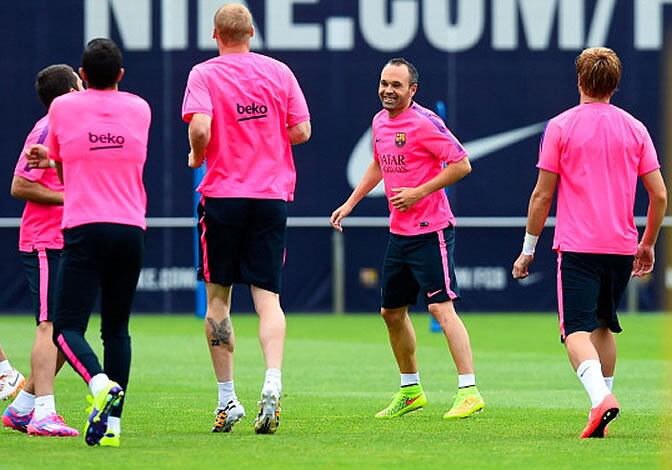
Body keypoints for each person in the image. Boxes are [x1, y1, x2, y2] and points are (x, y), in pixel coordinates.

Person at [512, 47, 667, 438]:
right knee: (603, 328)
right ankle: (600, 413)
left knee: (575, 330)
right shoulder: (635, 128)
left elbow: (542, 196)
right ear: (615, 84)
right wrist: (647, 243)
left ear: (580, 81)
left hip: (579, 246)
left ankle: (601, 400)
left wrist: (528, 248)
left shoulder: (561, 126)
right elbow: (660, 195)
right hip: (620, 246)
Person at [330, 58, 485, 420]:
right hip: (399, 233)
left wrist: (418, 192)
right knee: (391, 312)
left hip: (432, 230)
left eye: (396, 85)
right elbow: (379, 163)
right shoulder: (380, 121)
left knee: (440, 308)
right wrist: (351, 202)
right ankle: (411, 390)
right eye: (384, 83)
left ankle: (469, 390)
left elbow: (462, 164)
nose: (388, 90)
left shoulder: (425, 122)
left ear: (412, 90)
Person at [181, 2, 310, 434]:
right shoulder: (279, 72)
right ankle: (272, 381)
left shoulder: (204, 74)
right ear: (252, 33)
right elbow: (302, 130)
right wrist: (267, 133)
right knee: (268, 298)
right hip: (270, 195)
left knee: (219, 298)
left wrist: (198, 155)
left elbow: (200, 128)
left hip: (223, 194)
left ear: (215, 34)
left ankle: (227, 399)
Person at [27, 38, 151, 447]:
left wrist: (52, 159)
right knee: (117, 330)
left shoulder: (62, 107)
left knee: (65, 327)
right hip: (130, 227)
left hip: (84, 226)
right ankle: (112, 427)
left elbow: (65, 172)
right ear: (120, 75)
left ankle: (99, 383)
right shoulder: (140, 108)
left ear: (81, 75)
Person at [2, 65, 83, 438]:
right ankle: (44, 414)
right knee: (49, 326)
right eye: (80, 85)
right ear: (69, 90)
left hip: (65, 239)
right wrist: (69, 197)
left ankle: (22, 408)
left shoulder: (65, 128)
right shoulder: (48, 127)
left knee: (69, 332)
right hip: (45, 240)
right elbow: (19, 185)